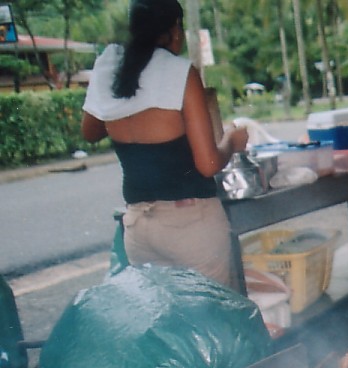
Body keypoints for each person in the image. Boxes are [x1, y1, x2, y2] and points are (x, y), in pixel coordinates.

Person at [81, 0, 249, 291]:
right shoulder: (180, 72)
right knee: (212, 324)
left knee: (167, 325)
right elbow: (208, 164)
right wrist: (232, 142)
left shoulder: (108, 64)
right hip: (190, 226)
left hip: (138, 229)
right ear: (175, 31)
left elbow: (90, 132)